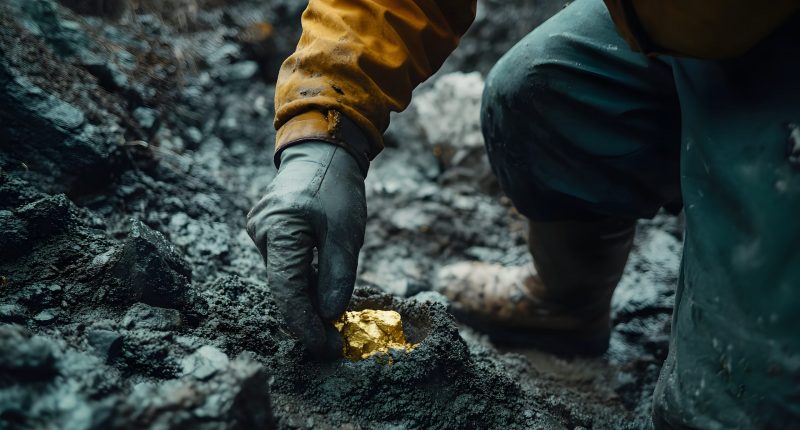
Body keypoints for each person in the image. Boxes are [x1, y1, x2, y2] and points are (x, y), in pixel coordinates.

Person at [246, 0, 800, 427]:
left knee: (733, 405)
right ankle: (568, 306)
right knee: (541, 85)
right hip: (683, 21)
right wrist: (323, 133)